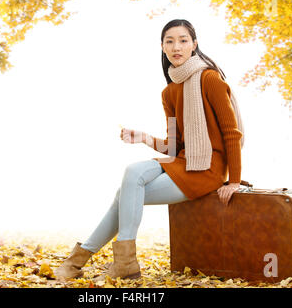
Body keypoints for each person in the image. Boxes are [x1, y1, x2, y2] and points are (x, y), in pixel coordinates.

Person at [54, 19, 244, 281]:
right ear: (163, 47)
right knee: (132, 175)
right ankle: (113, 262)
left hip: (206, 170)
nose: (176, 46)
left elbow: (231, 133)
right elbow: (174, 145)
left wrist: (233, 181)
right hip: (182, 162)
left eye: (183, 40)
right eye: (170, 41)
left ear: (194, 45)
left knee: (126, 193)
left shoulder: (209, 79)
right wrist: (143, 137)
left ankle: (83, 261)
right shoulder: (169, 92)